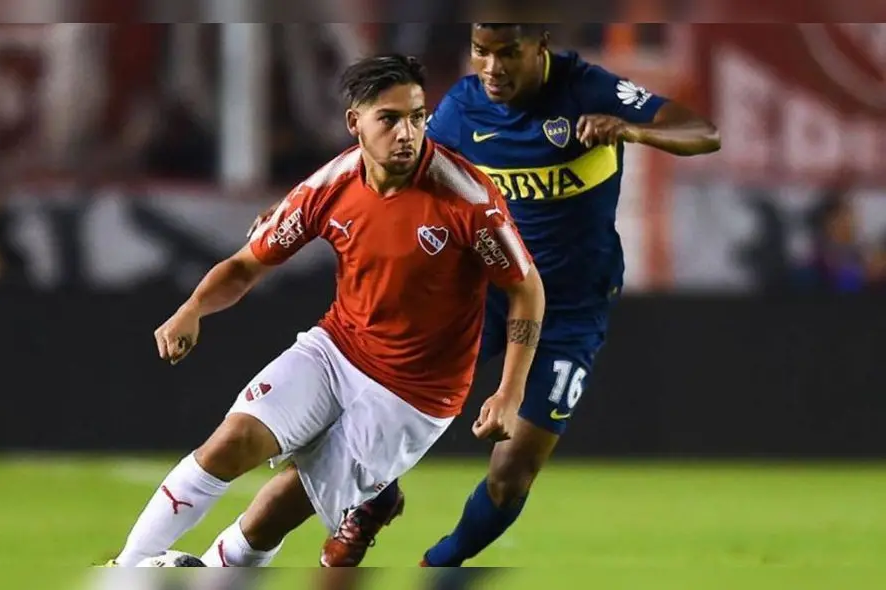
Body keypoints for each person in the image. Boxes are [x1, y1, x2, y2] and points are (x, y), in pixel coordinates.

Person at [105, 53, 545, 568]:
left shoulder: (466, 198)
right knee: (230, 442)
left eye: (417, 116)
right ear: (354, 122)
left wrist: (509, 393)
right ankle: (124, 572)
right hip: (337, 350)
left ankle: (218, 572)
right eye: (390, 118)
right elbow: (247, 265)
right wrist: (193, 309)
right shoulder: (330, 186)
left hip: (413, 394)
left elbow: (526, 289)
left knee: (277, 509)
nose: (407, 133)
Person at [315, 23, 721, 567]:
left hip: (572, 308)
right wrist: (305, 206)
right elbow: (394, 166)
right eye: (481, 52)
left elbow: (703, 131)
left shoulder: (590, 90)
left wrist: (630, 130)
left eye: (507, 53)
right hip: (484, 292)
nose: (491, 68)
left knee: (511, 474)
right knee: (385, 408)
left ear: (540, 46)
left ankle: (438, 567)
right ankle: (373, 500)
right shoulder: (463, 107)